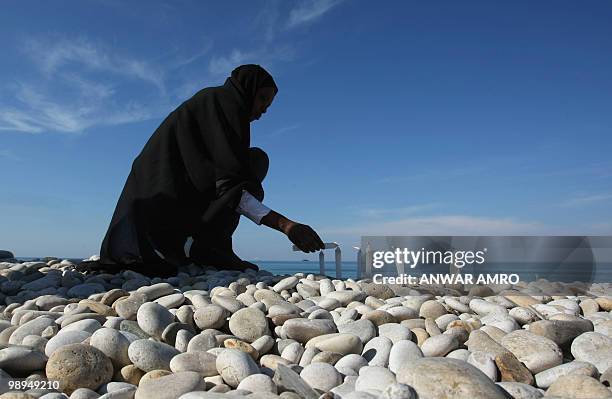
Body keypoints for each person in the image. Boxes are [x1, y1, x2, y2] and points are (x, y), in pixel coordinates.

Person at [82, 64, 324, 277]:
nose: (263, 110)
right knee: (248, 169)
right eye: (261, 99)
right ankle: (208, 250)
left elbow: (223, 180)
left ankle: (204, 247)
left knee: (254, 160)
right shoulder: (219, 105)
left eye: (268, 106)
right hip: (157, 207)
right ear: (246, 90)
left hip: (176, 202)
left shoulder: (217, 106)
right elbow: (228, 188)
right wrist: (287, 226)